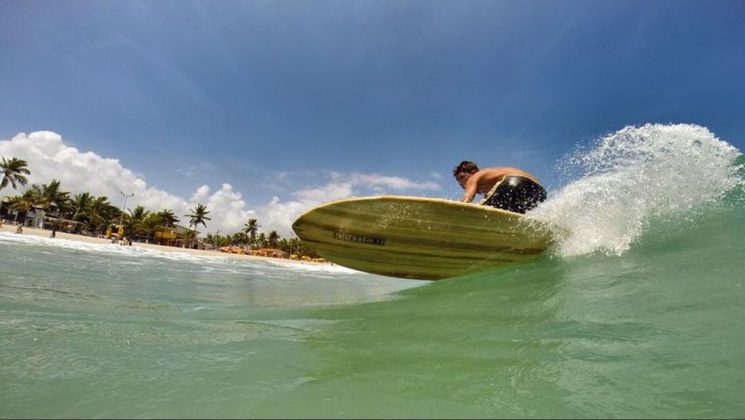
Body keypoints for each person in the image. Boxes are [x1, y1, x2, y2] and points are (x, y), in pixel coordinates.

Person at [453, 160, 547, 214]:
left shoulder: (474, 177)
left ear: (473, 172)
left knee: (481, 213)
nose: (462, 183)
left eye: (462, 177)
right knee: (512, 218)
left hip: (514, 182)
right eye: (458, 182)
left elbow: (466, 200)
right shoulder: (492, 177)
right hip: (538, 191)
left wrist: (453, 213)